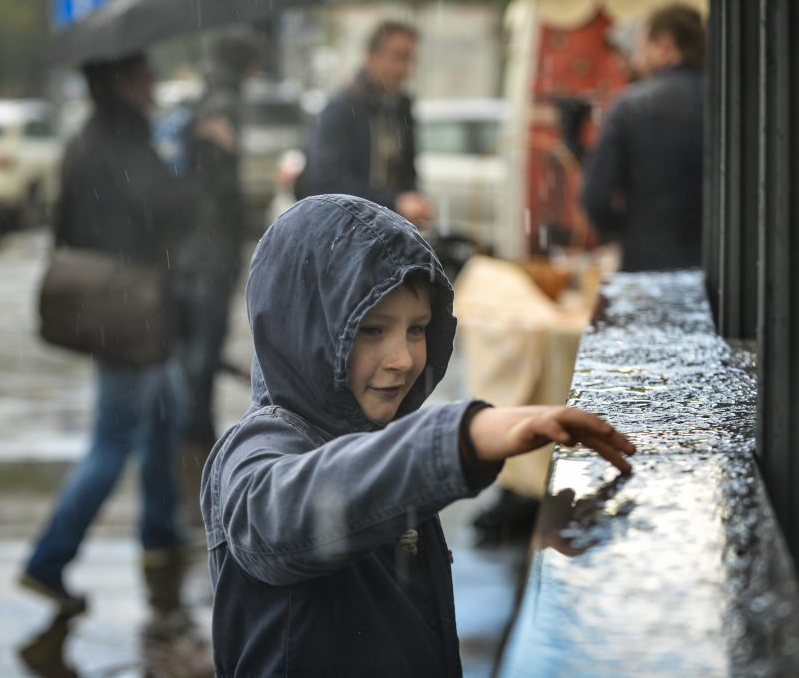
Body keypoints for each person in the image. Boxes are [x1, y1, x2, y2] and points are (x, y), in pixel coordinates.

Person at [200, 193, 636, 675]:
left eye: (417, 329)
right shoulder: (256, 451)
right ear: (303, 330)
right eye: (371, 331)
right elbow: (282, 517)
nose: (403, 359)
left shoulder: (377, 437)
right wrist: (458, 437)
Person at [20, 51, 230, 639]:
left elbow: (69, 224)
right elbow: (177, 209)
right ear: (118, 82)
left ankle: (159, 539)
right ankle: (47, 562)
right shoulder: (123, 143)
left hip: (116, 306)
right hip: (129, 314)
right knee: (112, 442)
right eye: (143, 74)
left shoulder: (88, 140)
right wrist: (209, 149)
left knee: (161, 418)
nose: (153, 82)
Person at [171, 28, 263, 511]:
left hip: (190, 250)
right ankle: (195, 441)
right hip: (208, 252)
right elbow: (216, 188)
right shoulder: (223, 103)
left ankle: (191, 434)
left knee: (194, 350)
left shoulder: (201, 98)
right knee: (201, 352)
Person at [581, 3, 706, 271]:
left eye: (641, 48)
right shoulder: (732, 102)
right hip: (719, 271)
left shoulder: (630, 106)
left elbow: (595, 198)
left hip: (648, 265)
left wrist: (631, 228)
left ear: (665, 46)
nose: (637, 60)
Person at [301, 21, 434, 228]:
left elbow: (408, 170)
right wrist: (394, 202)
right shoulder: (343, 106)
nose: (406, 69)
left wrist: (413, 199)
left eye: (411, 59)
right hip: (345, 230)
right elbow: (326, 179)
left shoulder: (402, 106)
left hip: (387, 229)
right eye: (399, 57)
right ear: (372, 56)